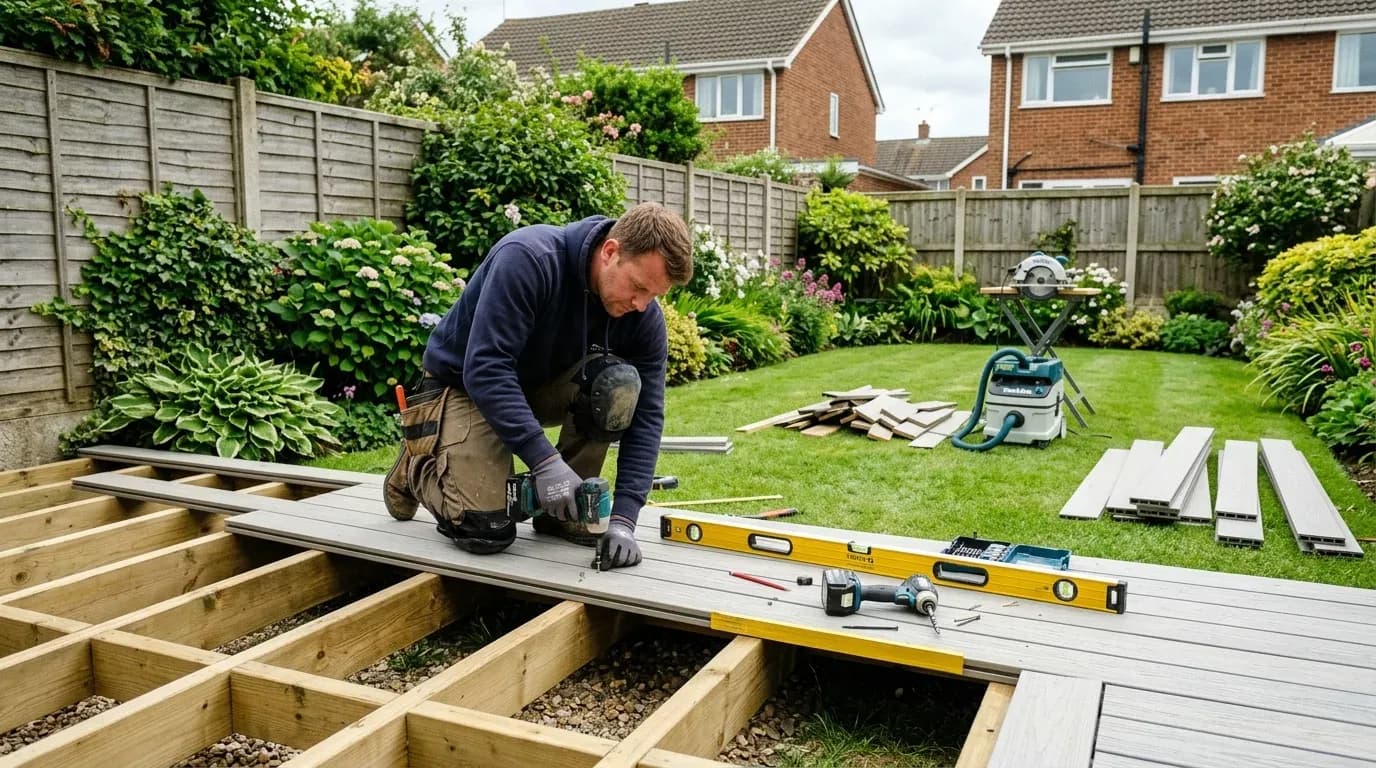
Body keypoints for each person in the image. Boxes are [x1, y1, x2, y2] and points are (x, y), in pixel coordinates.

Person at [384, 202, 693, 569]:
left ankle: (562, 511)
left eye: (654, 296)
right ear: (610, 252)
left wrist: (625, 520)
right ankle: (418, 462)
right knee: (486, 529)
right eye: (639, 287)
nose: (642, 305)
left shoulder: (642, 317)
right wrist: (545, 462)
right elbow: (485, 369)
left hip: (533, 389)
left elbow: (647, 416)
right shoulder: (528, 259)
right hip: (463, 387)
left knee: (618, 385)